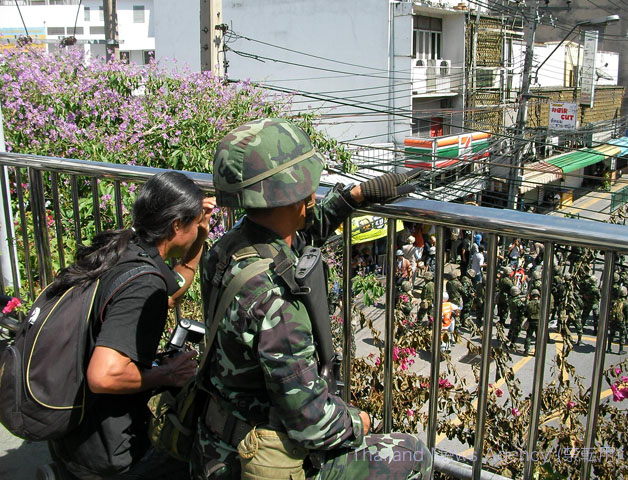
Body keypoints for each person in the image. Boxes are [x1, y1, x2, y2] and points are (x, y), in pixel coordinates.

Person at [193, 118, 431, 479]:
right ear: (299, 193)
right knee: (413, 455)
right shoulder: (276, 301)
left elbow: (300, 230)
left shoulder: (229, 250)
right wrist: (361, 421)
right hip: (260, 460)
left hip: (214, 443)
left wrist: (356, 197)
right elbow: (312, 423)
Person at [40, 172, 215, 480]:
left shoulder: (122, 248)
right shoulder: (143, 284)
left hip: (71, 424)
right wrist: (167, 374)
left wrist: (200, 233)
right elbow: (104, 376)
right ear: (176, 225)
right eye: (196, 221)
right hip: (106, 447)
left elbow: (174, 287)